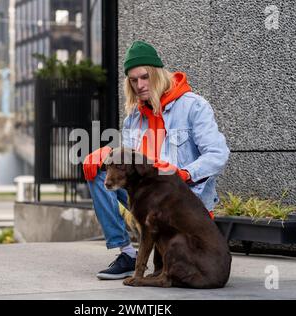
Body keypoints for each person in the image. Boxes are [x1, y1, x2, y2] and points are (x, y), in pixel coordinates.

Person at [82, 40, 230, 280]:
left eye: (144, 77)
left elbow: (218, 154)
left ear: (158, 74)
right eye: (133, 80)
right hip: (151, 194)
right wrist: (105, 155)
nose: (140, 85)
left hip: (183, 197)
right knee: (98, 174)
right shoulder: (134, 117)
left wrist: (183, 173)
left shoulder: (193, 107)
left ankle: (169, 259)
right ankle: (127, 254)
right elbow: (128, 162)